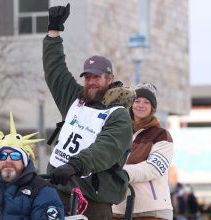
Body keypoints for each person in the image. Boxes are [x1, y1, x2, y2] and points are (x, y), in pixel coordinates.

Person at [43, 3, 133, 219]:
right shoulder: (76, 100)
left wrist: (75, 164)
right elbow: (55, 70)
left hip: (93, 198)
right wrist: (54, 32)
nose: (91, 82)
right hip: (60, 189)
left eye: (97, 77)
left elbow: (105, 149)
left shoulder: (118, 115)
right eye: (88, 77)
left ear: (109, 79)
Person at [0, 112, 64, 220]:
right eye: (2, 155)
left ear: (24, 160)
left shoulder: (42, 190)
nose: (8, 160)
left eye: (15, 155)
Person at [112, 83, 174, 220]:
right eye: (137, 101)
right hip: (117, 208)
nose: (141, 105)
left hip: (151, 211)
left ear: (153, 108)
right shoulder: (119, 133)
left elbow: (154, 168)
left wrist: (123, 172)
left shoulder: (161, 135)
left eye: (146, 102)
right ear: (131, 105)